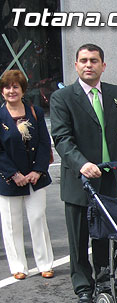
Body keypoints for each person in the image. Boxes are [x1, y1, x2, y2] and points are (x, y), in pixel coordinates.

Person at [50, 43, 117, 303]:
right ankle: (83, 286)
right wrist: (81, 164)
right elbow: (62, 138)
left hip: (111, 180)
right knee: (79, 237)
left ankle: (103, 279)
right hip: (80, 181)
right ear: (76, 65)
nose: (89, 65)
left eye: (94, 60)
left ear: (103, 65)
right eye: (84, 60)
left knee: (106, 235)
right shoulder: (63, 99)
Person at [0, 70, 54, 280]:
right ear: (2, 91)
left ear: (23, 90)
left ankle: (45, 264)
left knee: (38, 218)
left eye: (15, 86)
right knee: (11, 223)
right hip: (8, 179)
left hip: (35, 177)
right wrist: (14, 174)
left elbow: (43, 142)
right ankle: (19, 267)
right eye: (7, 87)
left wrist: (37, 170)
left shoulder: (36, 112)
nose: (11, 91)